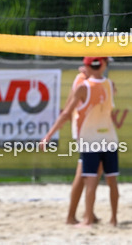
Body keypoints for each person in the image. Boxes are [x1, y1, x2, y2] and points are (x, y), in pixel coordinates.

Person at [41, 57, 119, 227]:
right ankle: (76, 215)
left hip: (93, 130)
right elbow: (69, 107)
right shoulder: (84, 81)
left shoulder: (92, 80)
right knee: (86, 174)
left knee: (91, 174)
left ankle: (88, 213)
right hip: (86, 129)